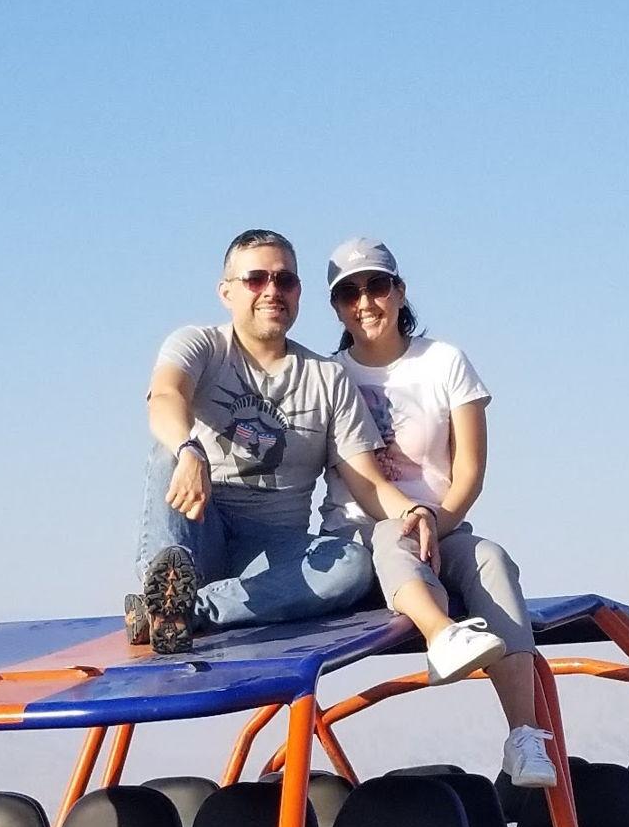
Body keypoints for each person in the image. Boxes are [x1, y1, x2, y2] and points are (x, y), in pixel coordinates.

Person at [324, 237, 557, 789]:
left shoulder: (444, 362)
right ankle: (441, 634)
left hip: (441, 527)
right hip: (358, 540)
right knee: (390, 533)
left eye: (376, 286)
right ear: (336, 307)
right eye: (348, 293)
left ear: (399, 291)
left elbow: (469, 471)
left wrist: (436, 522)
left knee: (491, 559)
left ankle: (524, 736)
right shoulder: (330, 376)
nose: (365, 302)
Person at [131, 229, 425, 655]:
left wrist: (413, 511)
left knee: (352, 567)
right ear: (226, 291)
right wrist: (189, 450)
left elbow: (367, 482)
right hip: (199, 531)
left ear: (299, 291)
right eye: (255, 279)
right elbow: (165, 396)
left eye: (284, 280)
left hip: (271, 555)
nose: (271, 291)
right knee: (165, 456)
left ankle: (180, 612)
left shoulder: (327, 378)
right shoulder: (201, 345)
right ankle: (165, 594)